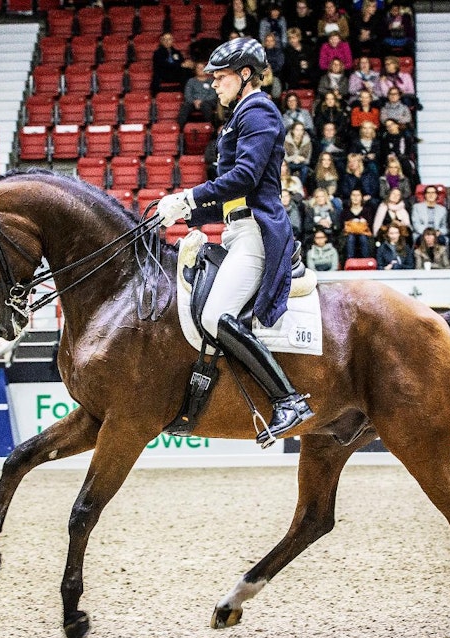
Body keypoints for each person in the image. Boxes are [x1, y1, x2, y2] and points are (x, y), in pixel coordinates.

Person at [155, 37, 313, 445]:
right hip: (237, 227)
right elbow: (229, 199)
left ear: (245, 75)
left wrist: (189, 196)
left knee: (214, 316)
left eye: (220, 77)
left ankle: (289, 400)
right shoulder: (242, 114)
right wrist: (183, 211)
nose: (213, 85)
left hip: (257, 234)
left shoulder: (258, 110)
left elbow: (244, 178)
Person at [179, 62, 218, 127]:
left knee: (206, 106)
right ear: (195, 70)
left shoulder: (211, 81)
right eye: (198, 68)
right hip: (193, 102)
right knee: (185, 106)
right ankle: (180, 130)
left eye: (202, 68)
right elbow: (187, 94)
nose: (200, 70)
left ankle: (211, 128)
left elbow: (213, 94)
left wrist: (201, 101)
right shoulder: (191, 81)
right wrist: (194, 101)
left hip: (207, 102)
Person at [341, 187, 376, 260]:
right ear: (350, 197)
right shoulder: (345, 211)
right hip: (348, 236)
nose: (355, 197)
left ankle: (366, 261)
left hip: (365, 236)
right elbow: (342, 226)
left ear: (362, 197)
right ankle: (349, 261)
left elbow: (370, 224)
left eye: (358, 195)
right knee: (351, 238)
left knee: (362, 237)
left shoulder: (367, 210)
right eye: (353, 195)